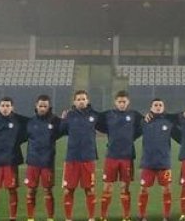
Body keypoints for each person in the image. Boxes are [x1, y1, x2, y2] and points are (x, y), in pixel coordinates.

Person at [97, 89, 143, 221]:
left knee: (125, 187)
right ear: (115, 102)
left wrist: (131, 138)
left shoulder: (134, 115)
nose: (122, 104)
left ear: (128, 102)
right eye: (119, 102)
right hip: (111, 156)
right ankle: (103, 216)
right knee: (107, 187)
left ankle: (126, 216)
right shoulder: (108, 114)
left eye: (124, 102)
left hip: (127, 157)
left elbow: (144, 124)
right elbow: (96, 121)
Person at [59, 90, 101, 221]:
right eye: (78, 99)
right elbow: (61, 131)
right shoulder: (69, 116)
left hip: (88, 158)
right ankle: (68, 218)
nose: (81, 101)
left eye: (83, 99)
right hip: (72, 158)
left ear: (87, 101)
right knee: (68, 190)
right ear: (74, 102)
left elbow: (107, 127)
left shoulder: (95, 115)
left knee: (90, 190)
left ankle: (91, 218)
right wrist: (62, 120)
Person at [22, 95, 61, 221]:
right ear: (36, 106)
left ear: (49, 107)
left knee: (48, 191)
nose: (43, 108)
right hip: (32, 162)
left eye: (45, 106)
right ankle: (30, 218)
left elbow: (66, 128)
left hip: (47, 163)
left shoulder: (55, 121)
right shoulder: (30, 122)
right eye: (40, 106)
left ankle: (50, 218)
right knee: (30, 191)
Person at [138, 98, 177, 221]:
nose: (158, 107)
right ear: (151, 107)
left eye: (160, 105)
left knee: (167, 189)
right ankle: (142, 216)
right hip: (147, 162)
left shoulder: (169, 123)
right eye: (155, 105)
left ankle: (166, 216)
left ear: (163, 108)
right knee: (143, 189)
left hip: (164, 163)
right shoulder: (144, 122)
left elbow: (180, 136)